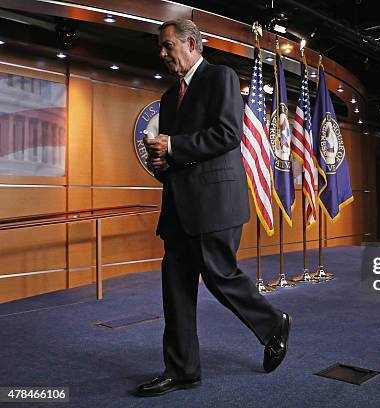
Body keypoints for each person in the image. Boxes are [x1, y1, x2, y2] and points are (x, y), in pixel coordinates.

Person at [137, 19, 291, 397]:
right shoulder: (170, 97)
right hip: (177, 207)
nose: (162, 53)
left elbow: (227, 134)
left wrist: (172, 145)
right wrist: (162, 161)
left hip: (215, 204)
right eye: (161, 47)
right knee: (175, 292)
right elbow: (181, 151)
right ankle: (182, 369)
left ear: (192, 44)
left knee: (221, 278)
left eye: (168, 46)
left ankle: (273, 324)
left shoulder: (220, 77)